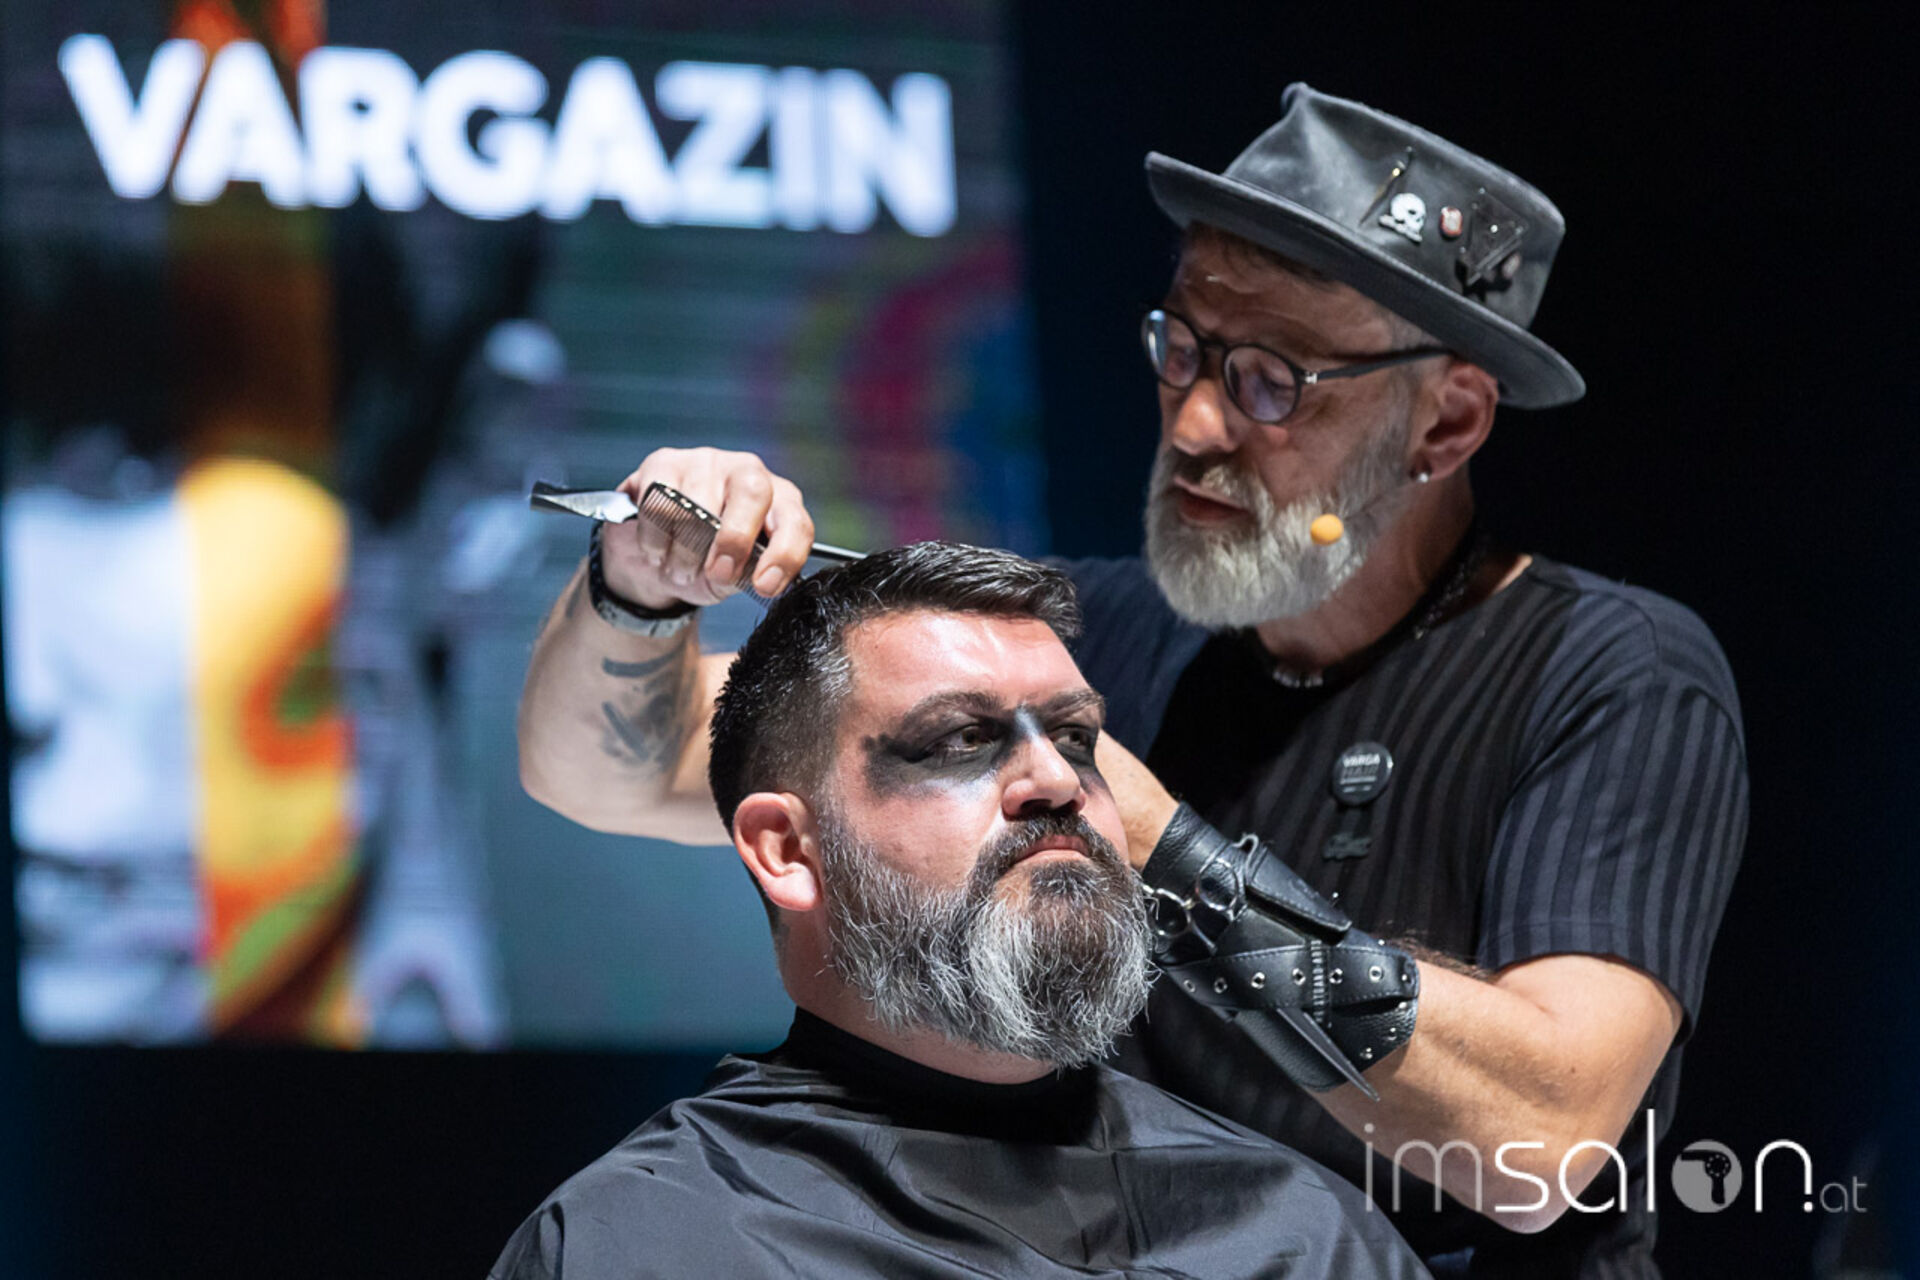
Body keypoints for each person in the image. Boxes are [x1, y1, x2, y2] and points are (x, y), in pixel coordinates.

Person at [516, 85, 1747, 1276]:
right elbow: (609, 769)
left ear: (1447, 425)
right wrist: (641, 586)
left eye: (1273, 379)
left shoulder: (1611, 672)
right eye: (1184, 350)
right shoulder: (1086, 644)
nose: (1197, 424)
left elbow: (1539, 1140)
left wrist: (1156, 844)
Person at [492, 542, 1427, 1279]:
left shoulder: (1302, 1236)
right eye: (960, 739)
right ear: (786, 850)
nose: (1057, 780)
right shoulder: (646, 1244)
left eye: (1076, 737)